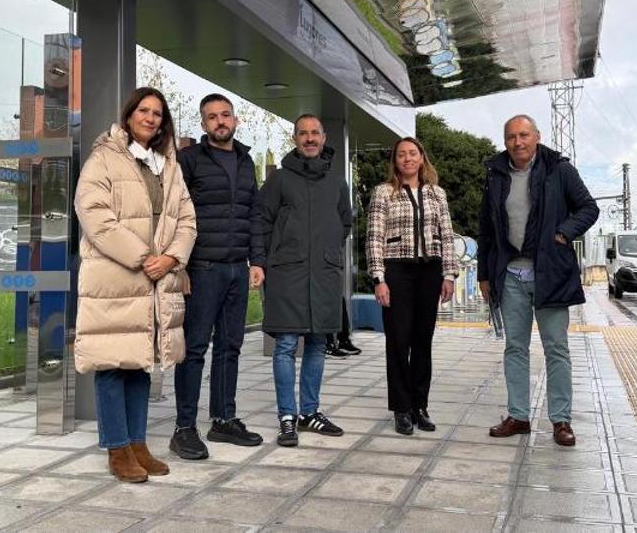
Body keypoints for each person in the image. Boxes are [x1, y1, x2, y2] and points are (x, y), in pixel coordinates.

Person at [73, 87, 197, 482]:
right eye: (143, 111)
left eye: (158, 114)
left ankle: (138, 443)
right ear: (128, 115)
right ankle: (117, 447)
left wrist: (172, 259)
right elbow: (94, 215)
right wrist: (145, 258)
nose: (150, 118)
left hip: (156, 278)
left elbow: (187, 220)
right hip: (116, 275)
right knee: (112, 362)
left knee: (141, 362)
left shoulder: (169, 165)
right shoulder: (104, 158)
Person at [478, 115, 599, 446]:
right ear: (505, 141)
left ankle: (561, 420)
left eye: (524, 135)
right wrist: (484, 273)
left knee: (556, 348)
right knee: (515, 347)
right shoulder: (496, 173)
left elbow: (588, 208)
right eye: (511, 137)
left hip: (550, 273)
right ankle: (518, 416)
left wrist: (563, 233)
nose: (518, 143)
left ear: (536, 136)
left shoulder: (558, 168)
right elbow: (486, 228)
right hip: (510, 274)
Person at [169, 94, 265, 459]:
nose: (220, 121)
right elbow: (176, 215)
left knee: (230, 347)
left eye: (225, 115)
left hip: (237, 269)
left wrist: (257, 260)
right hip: (202, 268)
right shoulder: (189, 160)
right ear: (203, 123)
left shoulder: (245, 160)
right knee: (194, 349)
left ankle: (223, 419)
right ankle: (184, 427)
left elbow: (252, 213)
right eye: (212, 117)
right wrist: (181, 265)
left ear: (235, 120)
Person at [254, 114, 351, 447]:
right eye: (303, 133)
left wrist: (325, 253)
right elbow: (262, 221)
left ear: (323, 138)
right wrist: (267, 259)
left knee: (318, 344)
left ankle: (309, 412)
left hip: (323, 274)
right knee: (284, 346)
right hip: (287, 273)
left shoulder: (337, 183)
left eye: (315, 133)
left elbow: (344, 224)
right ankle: (287, 416)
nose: (310, 138)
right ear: (295, 139)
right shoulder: (279, 179)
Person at [366, 137, 458, 435]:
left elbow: (447, 235)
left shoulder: (437, 193)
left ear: (422, 158)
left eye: (412, 153)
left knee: (422, 341)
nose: (407, 159)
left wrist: (449, 274)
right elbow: (374, 238)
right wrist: (379, 278)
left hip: (429, 272)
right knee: (398, 340)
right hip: (397, 272)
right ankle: (401, 408)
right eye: (401, 155)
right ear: (395, 161)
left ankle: (420, 405)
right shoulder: (383, 193)